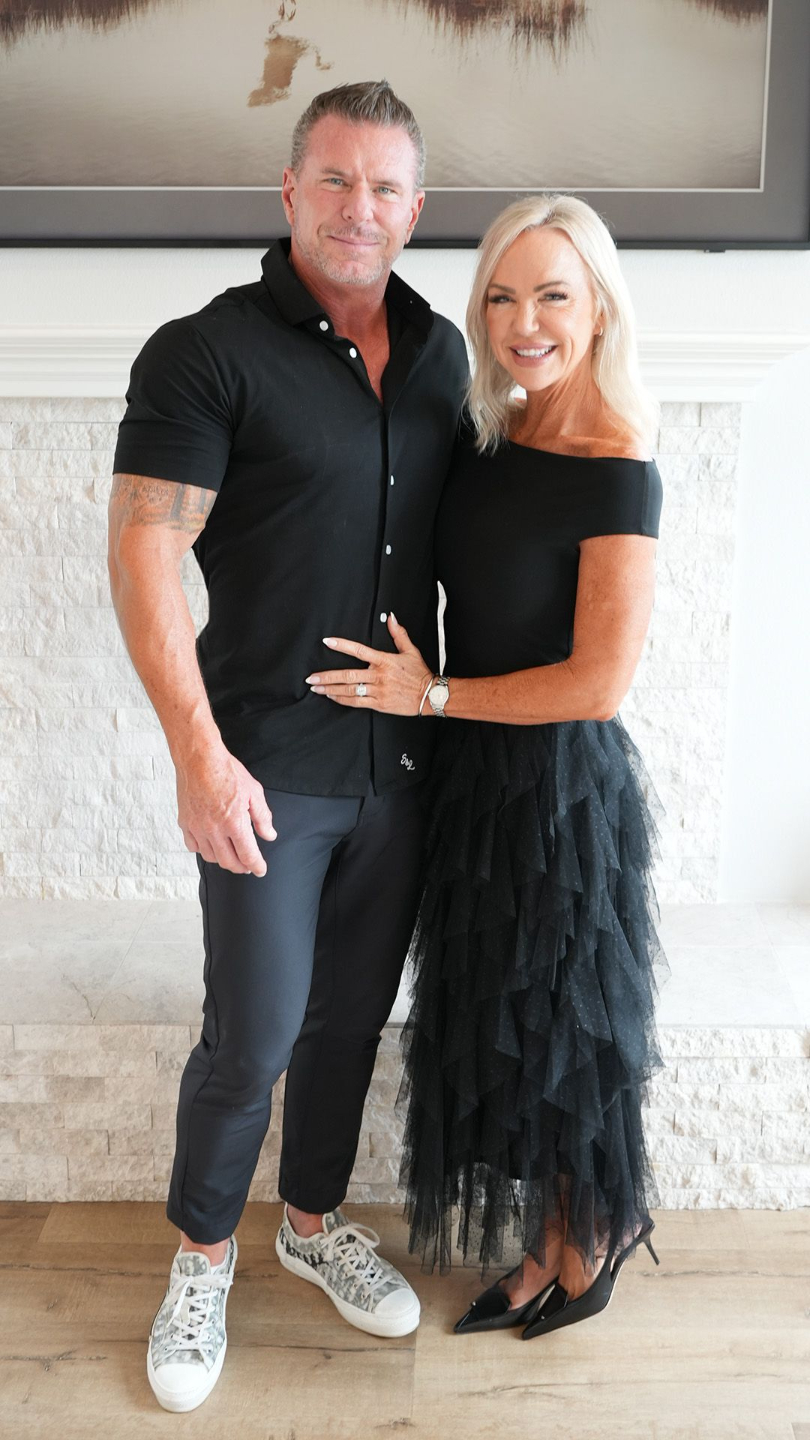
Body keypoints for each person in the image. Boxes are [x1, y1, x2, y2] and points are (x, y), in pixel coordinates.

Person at [107, 80, 468, 1413]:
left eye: (384, 187)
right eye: (335, 179)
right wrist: (198, 758)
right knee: (252, 1035)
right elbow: (143, 554)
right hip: (263, 769)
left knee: (349, 1024)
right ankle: (202, 1259)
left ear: (414, 209)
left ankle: (310, 1227)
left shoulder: (442, 355)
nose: (358, 207)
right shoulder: (203, 352)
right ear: (289, 191)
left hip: (403, 774)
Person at [305, 191, 671, 1340]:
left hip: (559, 790)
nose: (523, 323)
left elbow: (598, 683)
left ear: (599, 307)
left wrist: (434, 695)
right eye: (502, 298)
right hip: (470, 777)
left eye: (552, 295)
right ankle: (550, 1238)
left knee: (562, 1027)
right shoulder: (484, 437)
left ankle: (588, 1237)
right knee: (496, 1021)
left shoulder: (620, 467)